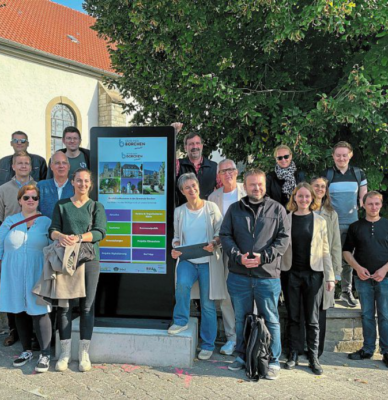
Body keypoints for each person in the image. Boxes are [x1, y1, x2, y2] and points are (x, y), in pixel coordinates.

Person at [220, 169, 290, 380]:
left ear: (265, 186)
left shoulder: (277, 209)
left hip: (267, 276)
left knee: (271, 319)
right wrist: (237, 256)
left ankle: (273, 360)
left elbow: (283, 240)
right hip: (239, 275)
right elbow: (225, 235)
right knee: (240, 319)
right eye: (252, 185)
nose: (256, 188)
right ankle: (242, 356)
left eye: (259, 184)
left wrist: (263, 257)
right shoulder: (234, 209)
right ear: (245, 186)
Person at [49, 168, 107, 372]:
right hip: (66, 260)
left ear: (90, 184)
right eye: (79, 180)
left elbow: (100, 232)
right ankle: (65, 353)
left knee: (87, 307)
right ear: (72, 182)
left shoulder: (96, 206)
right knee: (64, 307)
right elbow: (52, 229)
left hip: (90, 260)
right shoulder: (62, 205)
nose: (82, 184)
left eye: (86, 181)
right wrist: (60, 236)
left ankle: (84, 353)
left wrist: (80, 237)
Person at [168, 173, 226, 361]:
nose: (192, 190)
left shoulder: (211, 208)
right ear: (182, 191)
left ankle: (208, 344)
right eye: (187, 188)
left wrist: (215, 242)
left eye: (194, 186)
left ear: (198, 186)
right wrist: (175, 247)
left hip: (208, 261)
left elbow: (221, 232)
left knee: (208, 304)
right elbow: (176, 237)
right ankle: (181, 321)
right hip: (188, 260)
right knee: (182, 285)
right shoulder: (180, 212)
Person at [282, 183, 335, 375]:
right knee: (293, 316)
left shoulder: (320, 221)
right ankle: (293, 354)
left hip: (314, 274)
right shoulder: (286, 219)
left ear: (312, 198)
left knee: (312, 319)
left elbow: (326, 250)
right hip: (291, 274)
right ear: (294, 198)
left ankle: (313, 357)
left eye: (307, 196)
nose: (303, 200)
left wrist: (329, 276)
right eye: (300, 196)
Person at [0, 185, 52, 372]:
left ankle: (45, 354)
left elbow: (53, 246)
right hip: (12, 273)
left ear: (39, 201)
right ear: (20, 200)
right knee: (18, 310)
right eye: (27, 197)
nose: (31, 200)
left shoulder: (46, 222)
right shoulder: (9, 221)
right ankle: (26, 350)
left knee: (40, 311)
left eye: (35, 198)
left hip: (37, 272)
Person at [343, 191, 388, 368]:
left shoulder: (387, 225)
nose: (374, 207)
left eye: (377, 204)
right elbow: (346, 251)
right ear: (363, 204)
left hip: (385, 278)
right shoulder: (355, 227)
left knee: (385, 315)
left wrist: (385, 269)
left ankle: (386, 351)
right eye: (370, 204)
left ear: (381, 205)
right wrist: (357, 268)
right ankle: (368, 349)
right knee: (367, 315)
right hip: (363, 278)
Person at [208, 159, 246, 356]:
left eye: (231, 170)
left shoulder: (247, 191)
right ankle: (232, 338)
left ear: (236, 172)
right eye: (223, 171)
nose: (228, 173)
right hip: (223, 253)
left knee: (247, 295)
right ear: (219, 176)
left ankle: (249, 337)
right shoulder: (213, 197)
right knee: (226, 296)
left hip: (246, 252)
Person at [323, 141, 367, 307]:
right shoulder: (327, 174)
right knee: (330, 257)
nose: (341, 158)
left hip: (353, 223)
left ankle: (346, 292)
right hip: (331, 223)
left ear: (350, 155)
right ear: (333, 156)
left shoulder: (358, 173)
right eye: (338, 155)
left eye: (344, 155)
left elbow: (363, 197)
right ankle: (330, 293)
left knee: (349, 258)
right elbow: (321, 196)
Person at [0, 151, 36, 347]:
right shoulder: (4, 189)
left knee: (31, 290)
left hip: (32, 247)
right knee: (12, 290)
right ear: (12, 166)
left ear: (31, 167)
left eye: (26, 163)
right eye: (19, 163)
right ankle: (14, 331)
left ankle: (33, 332)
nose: (23, 166)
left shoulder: (39, 187)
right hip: (11, 248)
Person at [311, 177, 342, 356]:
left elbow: (336, 244)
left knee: (321, 308)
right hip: (305, 266)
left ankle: (318, 349)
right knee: (305, 307)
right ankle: (302, 347)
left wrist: (336, 273)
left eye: (323, 186)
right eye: (316, 186)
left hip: (325, 267)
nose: (320, 189)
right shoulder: (304, 208)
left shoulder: (332, 213)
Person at [175, 128, 219, 206]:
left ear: (202, 146)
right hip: (184, 212)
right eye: (191, 144)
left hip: (207, 212)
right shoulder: (178, 164)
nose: (195, 146)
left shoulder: (214, 167)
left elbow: (222, 190)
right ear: (185, 147)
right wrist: (173, 133)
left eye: (197, 143)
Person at [37, 151, 74, 218]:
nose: (61, 166)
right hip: (46, 227)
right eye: (57, 163)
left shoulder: (75, 187)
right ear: (51, 166)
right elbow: (34, 210)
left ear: (69, 166)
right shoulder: (41, 186)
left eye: (64, 163)